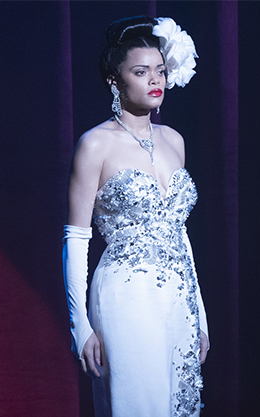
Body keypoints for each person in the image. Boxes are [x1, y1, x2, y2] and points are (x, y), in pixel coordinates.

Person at [63, 16, 209, 416]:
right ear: (115, 80)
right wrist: (80, 326)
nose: (154, 80)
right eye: (141, 72)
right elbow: (76, 238)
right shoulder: (95, 144)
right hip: (125, 298)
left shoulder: (174, 141)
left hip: (177, 298)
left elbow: (179, 234)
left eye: (160, 70)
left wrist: (200, 314)